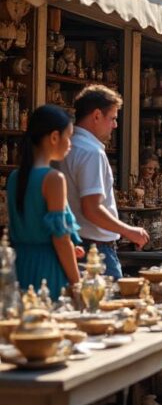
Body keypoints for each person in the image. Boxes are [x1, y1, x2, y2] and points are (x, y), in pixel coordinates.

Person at [61, 85, 149, 279]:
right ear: (97, 115)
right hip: (96, 250)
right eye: (113, 118)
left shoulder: (66, 147)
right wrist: (129, 231)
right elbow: (91, 208)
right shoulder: (91, 152)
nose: (115, 125)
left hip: (72, 246)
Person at [6, 105, 82, 301]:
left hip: (20, 266)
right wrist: (77, 283)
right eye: (69, 137)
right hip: (48, 269)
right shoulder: (54, 178)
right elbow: (60, 239)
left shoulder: (15, 177)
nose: (70, 144)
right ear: (55, 137)